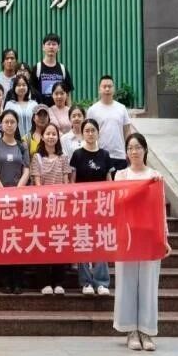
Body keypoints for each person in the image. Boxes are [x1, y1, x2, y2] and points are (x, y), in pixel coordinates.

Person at [114, 133, 171, 352]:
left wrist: (164, 238)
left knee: (148, 283)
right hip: (128, 235)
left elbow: (160, 209)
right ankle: (130, 331)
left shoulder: (155, 176)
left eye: (138, 147)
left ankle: (146, 331)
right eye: (130, 148)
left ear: (145, 150)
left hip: (149, 236)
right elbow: (118, 204)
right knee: (126, 282)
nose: (134, 151)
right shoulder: (121, 175)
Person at [0, 109, 30, 294]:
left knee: (18, 238)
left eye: (13, 122)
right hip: (0, 199)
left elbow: (26, 170)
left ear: (17, 124)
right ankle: (4, 279)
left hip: (19, 199)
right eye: (6, 122)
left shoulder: (22, 145)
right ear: (1, 125)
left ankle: (18, 280)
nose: (10, 125)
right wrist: (4, 192)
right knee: (2, 238)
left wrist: (18, 190)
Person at [70, 118, 113, 296]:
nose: (90, 133)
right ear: (82, 133)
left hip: (101, 205)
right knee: (83, 240)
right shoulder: (77, 155)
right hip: (82, 206)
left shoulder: (105, 155)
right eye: (86, 130)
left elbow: (109, 181)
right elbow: (72, 182)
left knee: (100, 241)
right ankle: (86, 281)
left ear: (98, 133)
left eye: (92, 130)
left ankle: (101, 282)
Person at [30, 123, 70, 295]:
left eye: (54, 134)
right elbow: (37, 183)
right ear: (43, 136)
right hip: (43, 207)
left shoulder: (63, 158)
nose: (51, 137)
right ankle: (44, 281)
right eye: (48, 133)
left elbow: (66, 182)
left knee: (58, 242)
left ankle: (58, 281)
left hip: (60, 207)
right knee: (43, 243)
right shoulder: (37, 158)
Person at [87, 75, 132, 171]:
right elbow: (88, 133)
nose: (107, 89)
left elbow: (127, 132)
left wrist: (129, 151)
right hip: (99, 155)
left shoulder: (122, 108)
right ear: (99, 89)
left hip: (120, 156)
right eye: (104, 86)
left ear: (114, 89)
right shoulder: (92, 110)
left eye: (110, 86)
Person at [32, 33, 74, 107]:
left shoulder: (62, 68)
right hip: (42, 111)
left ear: (58, 47)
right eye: (48, 44)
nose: (51, 47)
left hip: (60, 110)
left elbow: (68, 92)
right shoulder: (37, 68)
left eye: (54, 44)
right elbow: (32, 92)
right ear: (43, 47)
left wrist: (69, 109)